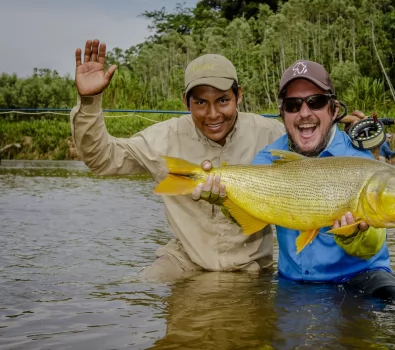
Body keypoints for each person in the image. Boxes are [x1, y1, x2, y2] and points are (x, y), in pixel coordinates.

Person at [70, 39, 285, 280]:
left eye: (223, 100)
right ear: (185, 101)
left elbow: (318, 159)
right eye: (201, 102)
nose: (213, 114)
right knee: (143, 286)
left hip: (251, 266)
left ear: (239, 95)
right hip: (184, 261)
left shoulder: (272, 134)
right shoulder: (164, 138)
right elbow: (103, 159)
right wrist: (89, 101)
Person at [249, 60, 395, 301]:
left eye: (315, 102)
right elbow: (245, 216)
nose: (304, 113)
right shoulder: (268, 159)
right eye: (293, 105)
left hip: (358, 279)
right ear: (282, 113)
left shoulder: (359, 160)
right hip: (293, 283)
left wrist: (355, 235)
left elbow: (375, 243)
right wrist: (221, 198)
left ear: (334, 110)